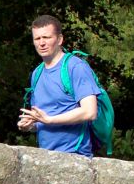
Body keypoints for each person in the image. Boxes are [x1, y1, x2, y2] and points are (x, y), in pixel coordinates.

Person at [16, 15, 101, 154]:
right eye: (37, 39)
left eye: (47, 37)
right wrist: (30, 125)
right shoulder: (37, 73)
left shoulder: (75, 67)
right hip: (45, 155)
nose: (41, 43)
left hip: (75, 155)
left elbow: (90, 112)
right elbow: (43, 119)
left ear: (60, 39)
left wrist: (50, 120)